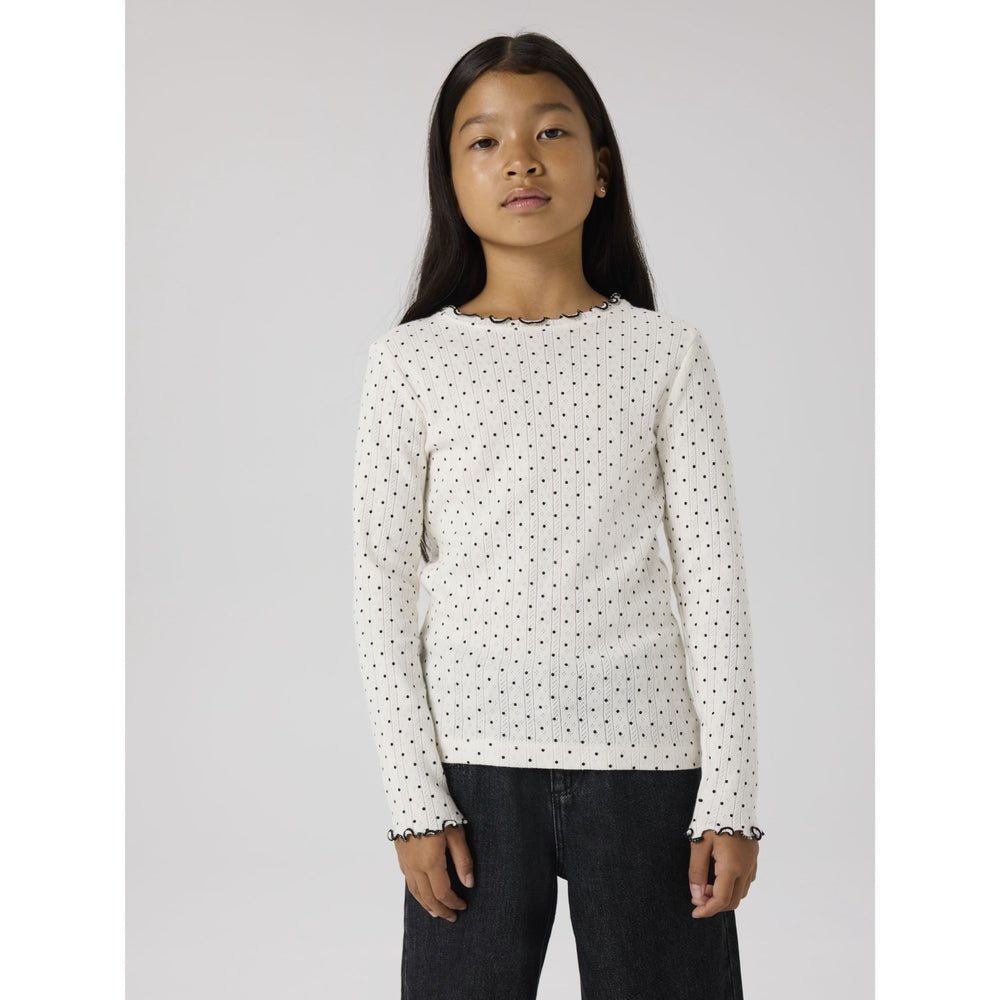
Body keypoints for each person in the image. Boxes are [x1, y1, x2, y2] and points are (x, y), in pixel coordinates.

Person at [351, 31, 764, 1000]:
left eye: (550, 132)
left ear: (601, 167)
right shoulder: (408, 363)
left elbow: (713, 585)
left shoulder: (666, 354)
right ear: (450, 179)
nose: (521, 160)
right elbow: (378, 587)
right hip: (470, 772)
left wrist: (732, 800)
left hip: (647, 761)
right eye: (484, 140)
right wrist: (414, 800)